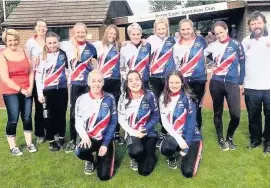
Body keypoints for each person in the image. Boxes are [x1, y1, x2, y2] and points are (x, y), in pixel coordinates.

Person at [204, 21, 245, 151]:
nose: (219, 35)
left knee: (236, 114)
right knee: (218, 112)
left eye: (221, 32)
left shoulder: (237, 44)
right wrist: (211, 65)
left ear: (226, 30)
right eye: (217, 33)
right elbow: (203, 56)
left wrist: (240, 80)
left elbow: (243, 64)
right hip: (216, 82)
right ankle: (221, 138)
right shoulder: (212, 46)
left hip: (232, 83)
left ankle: (230, 137)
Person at [60, 22, 97, 153]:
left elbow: (97, 63)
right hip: (75, 85)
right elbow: (48, 45)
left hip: (88, 85)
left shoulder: (92, 47)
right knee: (73, 113)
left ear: (86, 33)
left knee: (89, 112)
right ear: (73, 34)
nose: (81, 34)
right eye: (78, 32)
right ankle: (72, 139)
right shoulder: (66, 46)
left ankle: (88, 136)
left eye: (83, 32)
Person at [0, 29, 37, 155]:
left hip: (27, 89)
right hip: (11, 91)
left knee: (27, 117)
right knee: (13, 119)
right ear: (5, 41)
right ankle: (13, 146)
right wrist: (21, 90)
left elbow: (31, 71)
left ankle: (29, 143)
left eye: (15, 39)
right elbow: (5, 78)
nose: (13, 42)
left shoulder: (25, 51)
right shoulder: (3, 55)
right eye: (9, 40)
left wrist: (31, 87)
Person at [75, 70, 117, 181]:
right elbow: (78, 121)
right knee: (80, 151)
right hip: (89, 138)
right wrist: (84, 136)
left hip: (104, 140)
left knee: (104, 176)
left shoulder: (110, 98)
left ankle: (104, 155)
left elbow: (113, 122)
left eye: (99, 81)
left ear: (103, 83)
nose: (96, 84)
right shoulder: (81, 99)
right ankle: (90, 160)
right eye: (93, 81)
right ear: (88, 82)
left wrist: (105, 143)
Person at [159, 71, 202, 178]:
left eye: (177, 82)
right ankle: (172, 157)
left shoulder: (188, 97)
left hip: (192, 136)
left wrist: (186, 146)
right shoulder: (163, 97)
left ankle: (195, 152)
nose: (174, 85)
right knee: (165, 148)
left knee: (187, 172)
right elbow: (165, 121)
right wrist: (179, 139)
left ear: (182, 83)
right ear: (167, 83)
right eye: (171, 82)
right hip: (176, 134)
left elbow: (192, 124)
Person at [118, 70, 159, 176]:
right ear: (127, 83)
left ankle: (149, 151)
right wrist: (135, 133)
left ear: (141, 81)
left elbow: (155, 115)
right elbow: (121, 119)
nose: (134, 82)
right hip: (132, 133)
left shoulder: (149, 95)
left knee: (144, 171)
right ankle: (135, 156)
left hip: (148, 132)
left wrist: (145, 129)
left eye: (137, 79)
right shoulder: (123, 97)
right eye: (130, 80)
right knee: (136, 151)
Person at [242, 11, 270, 153]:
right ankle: (256, 139)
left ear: (264, 23)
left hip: (269, 87)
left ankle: (269, 142)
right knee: (253, 115)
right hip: (251, 86)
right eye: (253, 23)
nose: (256, 25)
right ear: (249, 26)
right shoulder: (245, 41)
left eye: (258, 22)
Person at [35, 32, 68, 151]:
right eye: (50, 43)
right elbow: (38, 77)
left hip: (62, 89)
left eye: (55, 42)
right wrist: (39, 93)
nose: (52, 45)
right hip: (48, 90)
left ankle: (61, 136)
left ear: (58, 42)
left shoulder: (63, 54)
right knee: (49, 116)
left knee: (61, 114)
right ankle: (51, 140)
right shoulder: (41, 56)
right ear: (46, 43)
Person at [173, 19, 207, 131]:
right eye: (183, 29)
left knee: (197, 106)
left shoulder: (201, 40)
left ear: (192, 29)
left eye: (188, 29)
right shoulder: (176, 45)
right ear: (179, 30)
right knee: (185, 106)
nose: (186, 31)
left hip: (199, 80)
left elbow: (210, 53)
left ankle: (197, 132)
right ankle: (185, 130)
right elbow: (176, 63)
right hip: (184, 81)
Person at [147, 17, 176, 148]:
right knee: (157, 105)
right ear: (155, 29)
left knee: (168, 104)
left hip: (168, 78)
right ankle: (159, 132)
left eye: (163, 28)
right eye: (159, 29)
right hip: (154, 78)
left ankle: (166, 132)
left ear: (167, 29)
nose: (161, 31)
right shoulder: (149, 41)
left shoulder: (173, 41)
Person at [92, 24, 123, 145]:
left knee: (115, 108)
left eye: (114, 34)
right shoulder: (98, 45)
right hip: (102, 81)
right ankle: (102, 130)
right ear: (105, 33)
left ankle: (115, 133)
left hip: (115, 80)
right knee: (103, 107)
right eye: (110, 33)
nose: (112, 36)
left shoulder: (119, 47)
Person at [25, 19, 48, 144]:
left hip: (50, 79)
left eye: (44, 26)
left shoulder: (50, 39)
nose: (42, 28)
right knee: (39, 108)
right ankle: (40, 133)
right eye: (39, 26)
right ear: (35, 28)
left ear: (47, 28)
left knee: (50, 107)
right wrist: (33, 61)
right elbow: (27, 60)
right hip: (36, 78)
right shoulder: (30, 42)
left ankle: (51, 131)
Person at [120, 22, 151, 90]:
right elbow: (121, 68)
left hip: (145, 83)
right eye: (133, 34)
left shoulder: (147, 46)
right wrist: (128, 79)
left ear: (141, 34)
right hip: (131, 84)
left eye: (138, 34)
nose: (136, 37)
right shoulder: (124, 48)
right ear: (129, 35)